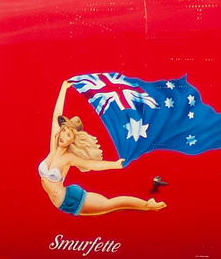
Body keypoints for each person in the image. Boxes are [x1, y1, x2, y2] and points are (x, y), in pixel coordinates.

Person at [40, 79, 166, 215]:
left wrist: (114, 165)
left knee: (110, 204)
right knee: (110, 204)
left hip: (69, 201)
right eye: (64, 130)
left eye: (69, 134)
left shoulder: (69, 157)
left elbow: (92, 164)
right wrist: (64, 88)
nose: (64, 135)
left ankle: (147, 205)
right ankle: (147, 205)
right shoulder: (53, 147)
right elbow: (56, 117)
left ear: (72, 141)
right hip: (63, 199)